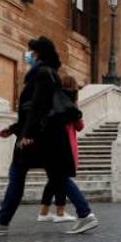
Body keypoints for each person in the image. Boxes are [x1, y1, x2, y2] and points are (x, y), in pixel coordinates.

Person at [0, 37, 99, 235]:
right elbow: (35, 108)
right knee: (57, 177)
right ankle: (85, 215)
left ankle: (1, 222)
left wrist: (26, 133)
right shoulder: (48, 73)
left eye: (29, 51)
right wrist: (14, 129)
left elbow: (38, 106)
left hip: (38, 137)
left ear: (38, 53)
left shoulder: (42, 74)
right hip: (45, 136)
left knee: (18, 175)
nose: (27, 54)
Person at [37, 74, 87, 224]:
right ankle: (61, 212)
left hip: (47, 146)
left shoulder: (50, 100)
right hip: (64, 147)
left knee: (54, 179)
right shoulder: (69, 104)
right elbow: (80, 126)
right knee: (61, 178)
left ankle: (44, 212)